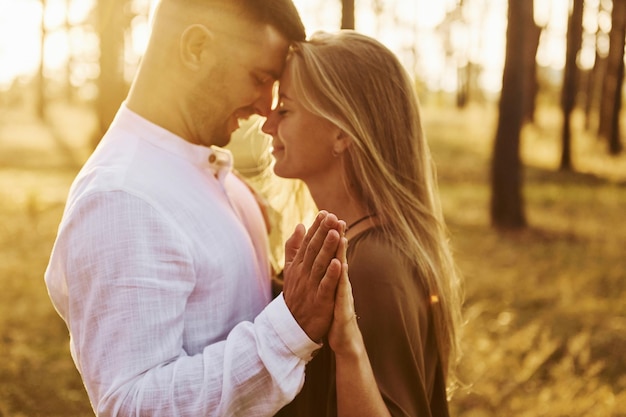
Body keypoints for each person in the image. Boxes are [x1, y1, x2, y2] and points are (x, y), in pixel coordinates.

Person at [44, 1, 346, 415]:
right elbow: (132, 405)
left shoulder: (211, 174)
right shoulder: (122, 197)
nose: (265, 107)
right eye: (260, 78)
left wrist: (284, 291)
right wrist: (289, 328)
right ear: (196, 48)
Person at [262, 30, 464, 417]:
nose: (267, 125)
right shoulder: (355, 248)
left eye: (284, 109)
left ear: (340, 131)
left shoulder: (372, 266)